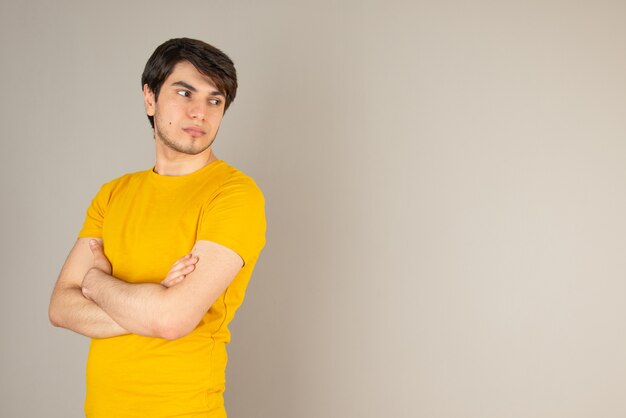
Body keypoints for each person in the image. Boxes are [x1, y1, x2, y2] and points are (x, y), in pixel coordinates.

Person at [48, 38, 266, 418]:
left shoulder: (235, 195)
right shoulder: (113, 194)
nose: (200, 112)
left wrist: (97, 284)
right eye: (185, 93)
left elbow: (171, 320)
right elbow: (61, 308)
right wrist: (152, 301)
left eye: (215, 101)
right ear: (150, 98)